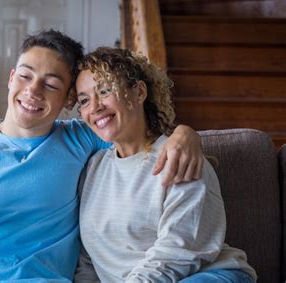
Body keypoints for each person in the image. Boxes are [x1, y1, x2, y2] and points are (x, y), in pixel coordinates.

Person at [0, 30, 203, 282]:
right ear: (11, 78)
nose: (33, 91)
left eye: (51, 84)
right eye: (26, 76)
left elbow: (138, 132)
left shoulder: (82, 139)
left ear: (69, 102)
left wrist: (185, 134)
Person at [74, 47, 256, 282]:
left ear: (139, 92)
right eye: (84, 100)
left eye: (105, 90)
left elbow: (178, 252)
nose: (95, 106)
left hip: (207, 275)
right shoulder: (93, 168)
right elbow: (89, 259)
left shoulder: (179, 156)